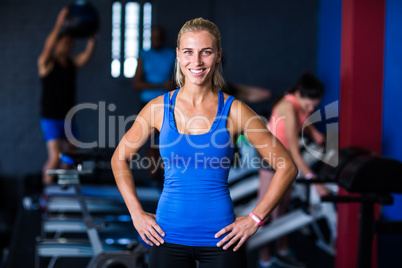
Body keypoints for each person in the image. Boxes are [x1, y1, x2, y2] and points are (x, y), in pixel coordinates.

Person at [111, 18, 298, 268]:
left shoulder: (235, 111)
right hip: (166, 236)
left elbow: (287, 166)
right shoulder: (157, 108)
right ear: (178, 55)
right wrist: (136, 213)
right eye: (188, 52)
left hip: (222, 240)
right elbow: (119, 158)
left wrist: (255, 218)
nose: (196, 62)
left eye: (206, 52)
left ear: (218, 55)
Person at [257, 73, 330, 268]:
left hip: (284, 158)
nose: (311, 109)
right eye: (309, 105)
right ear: (298, 94)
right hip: (270, 157)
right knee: (264, 210)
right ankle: (264, 259)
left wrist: (314, 133)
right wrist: (315, 183)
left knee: (282, 207)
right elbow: (296, 154)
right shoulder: (288, 108)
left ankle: (281, 251)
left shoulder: (298, 104)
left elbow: (304, 120)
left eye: (315, 106)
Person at [37, 7, 96, 185]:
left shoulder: (71, 64)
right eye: (65, 43)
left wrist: (93, 34)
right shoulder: (46, 63)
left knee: (70, 156)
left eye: (70, 43)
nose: (68, 46)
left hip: (68, 117)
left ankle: (62, 188)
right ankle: (46, 193)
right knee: (55, 156)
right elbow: (48, 46)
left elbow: (87, 55)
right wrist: (59, 23)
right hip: (50, 117)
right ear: (57, 44)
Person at [132, 26, 176, 187]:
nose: (156, 40)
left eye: (159, 37)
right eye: (153, 37)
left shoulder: (172, 54)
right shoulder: (143, 55)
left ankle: (166, 180)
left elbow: (178, 80)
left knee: (165, 142)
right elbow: (136, 83)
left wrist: (169, 86)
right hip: (147, 103)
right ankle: (152, 178)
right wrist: (160, 85)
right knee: (149, 143)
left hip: (167, 103)